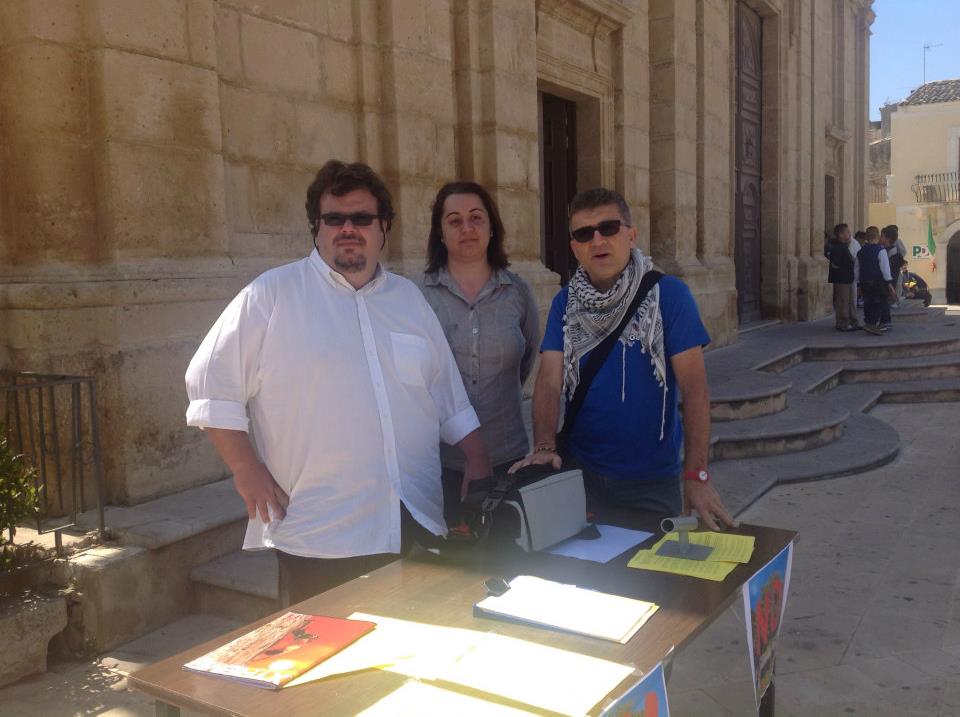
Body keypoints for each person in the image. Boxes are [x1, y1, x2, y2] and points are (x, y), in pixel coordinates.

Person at [185, 160, 491, 606]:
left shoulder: (409, 300)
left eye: (362, 218)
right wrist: (245, 468)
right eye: (334, 219)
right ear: (317, 227)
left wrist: (479, 461)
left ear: (383, 227)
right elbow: (210, 384)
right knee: (323, 671)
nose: (348, 228)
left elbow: (447, 396)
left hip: (413, 520)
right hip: (319, 534)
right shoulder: (271, 295)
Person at [510, 187, 737, 531]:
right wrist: (543, 446)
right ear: (575, 248)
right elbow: (549, 380)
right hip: (581, 475)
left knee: (649, 582)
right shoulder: (565, 303)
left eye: (609, 228)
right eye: (584, 234)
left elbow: (695, 390)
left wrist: (697, 474)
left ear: (630, 235)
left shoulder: (669, 295)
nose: (597, 240)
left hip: (650, 484)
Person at [418, 182, 540, 524]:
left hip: (508, 456)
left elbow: (525, 360)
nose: (466, 228)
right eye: (454, 220)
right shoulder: (417, 296)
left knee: (505, 563)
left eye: (476, 217)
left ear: (491, 227)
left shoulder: (518, 292)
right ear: (440, 233)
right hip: (441, 463)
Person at [857, 225, 898, 335]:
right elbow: (885, 268)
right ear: (878, 236)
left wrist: (858, 283)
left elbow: (857, 268)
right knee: (881, 301)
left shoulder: (861, 251)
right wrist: (889, 283)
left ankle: (869, 322)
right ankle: (884, 322)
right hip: (878, 282)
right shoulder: (881, 251)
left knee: (868, 302)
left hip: (865, 281)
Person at [826, 223, 858, 331]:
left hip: (846, 278)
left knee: (846, 301)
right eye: (847, 232)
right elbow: (836, 263)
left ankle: (846, 322)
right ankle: (843, 323)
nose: (849, 234)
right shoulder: (838, 247)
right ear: (840, 234)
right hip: (842, 279)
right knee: (843, 301)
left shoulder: (843, 246)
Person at [882, 225, 907, 302]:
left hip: (891, 288)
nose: (880, 238)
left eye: (882, 236)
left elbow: (893, 275)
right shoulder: (883, 250)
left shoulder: (893, 254)